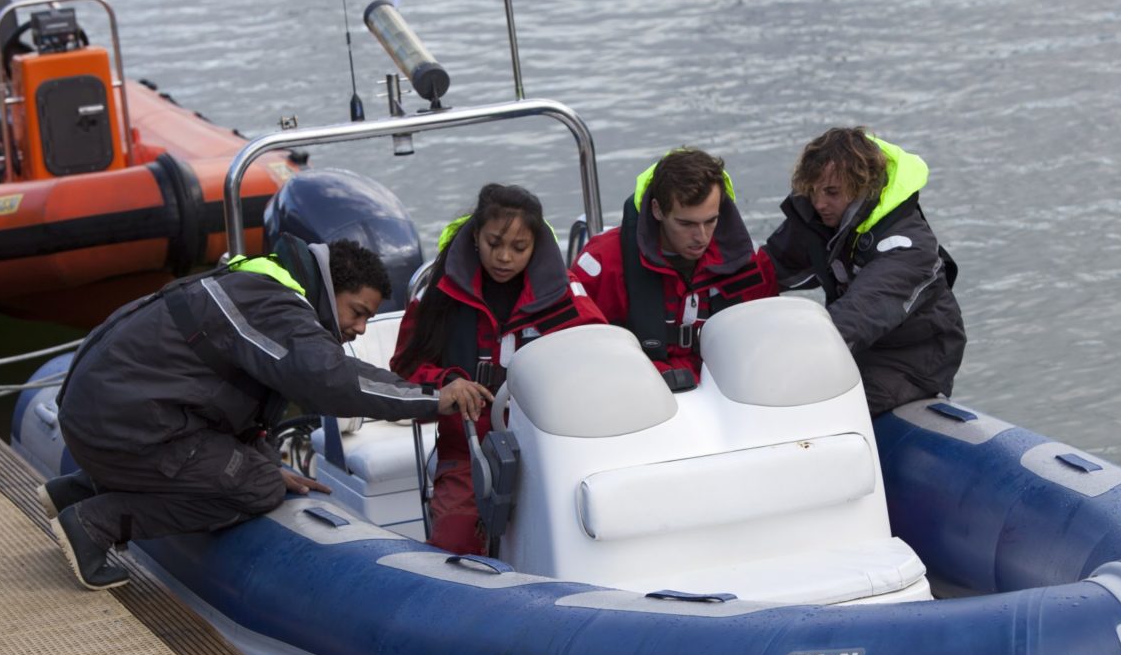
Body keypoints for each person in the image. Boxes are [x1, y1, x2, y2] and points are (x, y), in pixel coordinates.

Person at [44, 236, 491, 590]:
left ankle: (81, 489)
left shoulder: (258, 280)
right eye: (357, 313)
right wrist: (434, 397)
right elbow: (332, 381)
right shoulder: (278, 308)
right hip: (124, 425)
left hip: (110, 416)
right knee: (257, 488)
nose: (358, 330)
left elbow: (234, 394)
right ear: (330, 288)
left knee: (259, 468)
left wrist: (260, 457)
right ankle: (95, 523)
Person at [391, 183, 605, 555]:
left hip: (551, 452)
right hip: (467, 453)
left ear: (536, 246)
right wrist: (446, 385)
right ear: (475, 236)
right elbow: (405, 371)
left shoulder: (567, 298)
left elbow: (600, 359)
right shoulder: (437, 295)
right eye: (494, 243)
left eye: (519, 248)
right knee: (454, 545)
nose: (504, 257)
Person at [763, 127, 966, 416]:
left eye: (832, 192)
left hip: (911, 362)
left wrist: (791, 357)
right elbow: (766, 268)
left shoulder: (908, 247)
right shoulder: (823, 219)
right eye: (814, 191)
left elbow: (858, 316)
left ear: (862, 186)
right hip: (862, 351)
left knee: (816, 408)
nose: (820, 203)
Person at [569, 147, 778, 388]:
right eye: (686, 223)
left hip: (729, 396)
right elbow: (580, 354)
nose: (701, 237)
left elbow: (767, 340)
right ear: (657, 210)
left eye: (711, 221)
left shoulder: (748, 260)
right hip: (638, 398)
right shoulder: (601, 264)